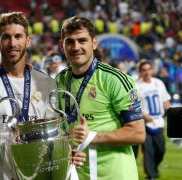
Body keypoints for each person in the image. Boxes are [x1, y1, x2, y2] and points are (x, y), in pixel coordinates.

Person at [0, 12, 85, 180]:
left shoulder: (46, 83)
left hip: (38, 176)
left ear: (28, 40)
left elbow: (55, 134)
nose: (12, 43)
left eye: (18, 36)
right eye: (6, 37)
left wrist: (70, 152)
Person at [55, 16, 145, 179]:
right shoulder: (60, 81)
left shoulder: (114, 79)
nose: (76, 47)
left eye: (82, 40)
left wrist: (92, 137)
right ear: (63, 45)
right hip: (78, 174)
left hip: (115, 174)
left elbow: (138, 133)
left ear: (94, 43)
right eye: (70, 42)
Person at [135, 59, 171, 180]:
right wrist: (143, 115)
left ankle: (154, 170)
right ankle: (150, 175)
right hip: (145, 124)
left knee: (161, 150)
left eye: (148, 69)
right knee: (149, 152)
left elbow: (165, 101)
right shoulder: (136, 86)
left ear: (152, 70)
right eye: (143, 70)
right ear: (140, 72)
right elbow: (132, 106)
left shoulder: (158, 83)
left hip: (159, 122)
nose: (146, 72)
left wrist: (173, 112)